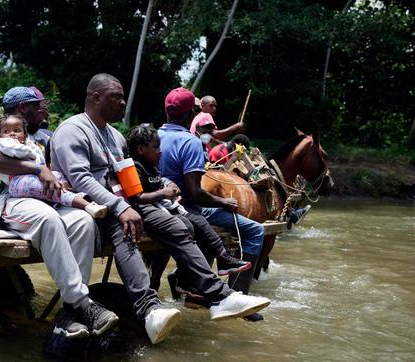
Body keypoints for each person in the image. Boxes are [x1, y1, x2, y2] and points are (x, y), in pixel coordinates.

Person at [50, 74, 270, 342]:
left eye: (122, 97)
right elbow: (80, 180)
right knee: (126, 228)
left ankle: (218, 295)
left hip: (124, 203)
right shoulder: (72, 130)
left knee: (179, 224)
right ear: (95, 97)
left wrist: (161, 188)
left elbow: (138, 173)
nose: (122, 102)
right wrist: (121, 207)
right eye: (116, 97)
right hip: (89, 207)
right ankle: (149, 308)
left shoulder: (116, 136)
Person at [0, 86, 119, 340]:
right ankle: (83, 304)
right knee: (48, 219)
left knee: (82, 221)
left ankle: (68, 313)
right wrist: (36, 170)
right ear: (23, 108)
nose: (43, 110)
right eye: (38, 106)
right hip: (8, 200)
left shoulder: (38, 136)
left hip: (43, 198)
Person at [158, 87, 268, 322]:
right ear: (190, 116)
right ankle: (237, 297)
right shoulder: (191, 143)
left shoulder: (154, 136)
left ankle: (197, 286)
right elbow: (195, 193)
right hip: (187, 207)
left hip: (161, 205)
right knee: (256, 231)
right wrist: (223, 201)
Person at [126, 125, 251, 283]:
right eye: (156, 147)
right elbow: (137, 196)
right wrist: (163, 193)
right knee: (186, 225)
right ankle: (191, 278)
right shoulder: (136, 168)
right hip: (155, 209)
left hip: (166, 205)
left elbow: (160, 180)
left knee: (199, 220)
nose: (160, 151)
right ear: (141, 149)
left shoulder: (152, 166)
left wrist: (169, 185)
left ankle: (222, 256)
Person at [0, 114, 107, 218]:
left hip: (35, 176)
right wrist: (31, 151)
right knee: (52, 189)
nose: (12, 134)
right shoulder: (2, 143)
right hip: (18, 181)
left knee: (59, 176)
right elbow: (16, 152)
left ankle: (72, 195)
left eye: (17, 130)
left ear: (25, 134)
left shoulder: (29, 144)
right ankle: (86, 205)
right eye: (6, 132)